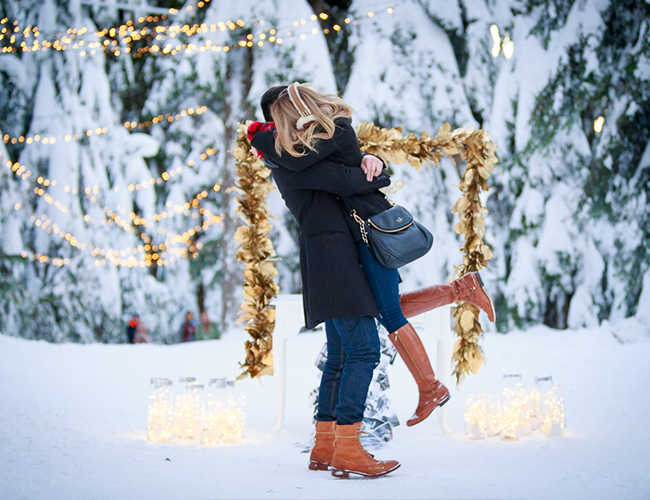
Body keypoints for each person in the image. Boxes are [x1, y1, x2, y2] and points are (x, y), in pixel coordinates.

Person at [249, 83, 495, 478]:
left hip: (334, 258)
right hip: (333, 262)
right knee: (363, 351)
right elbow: (349, 179)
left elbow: (345, 169)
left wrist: (371, 159)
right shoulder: (288, 157)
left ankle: (326, 446)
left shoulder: (296, 154)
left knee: (341, 354)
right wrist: (370, 165)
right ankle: (348, 448)